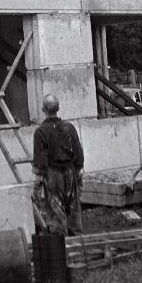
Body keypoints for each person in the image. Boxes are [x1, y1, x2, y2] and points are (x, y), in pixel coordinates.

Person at [31, 93, 84, 236]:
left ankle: (62, 250)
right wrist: (78, 175)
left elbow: (40, 161)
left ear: (43, 110)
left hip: (53, 175)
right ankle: (78, 248)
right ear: (58, 108)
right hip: (71, 172)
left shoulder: (41, 132)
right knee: (74, 213)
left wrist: (37, 185)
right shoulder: (69, 128)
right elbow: (78, 153)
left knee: (56, 215)